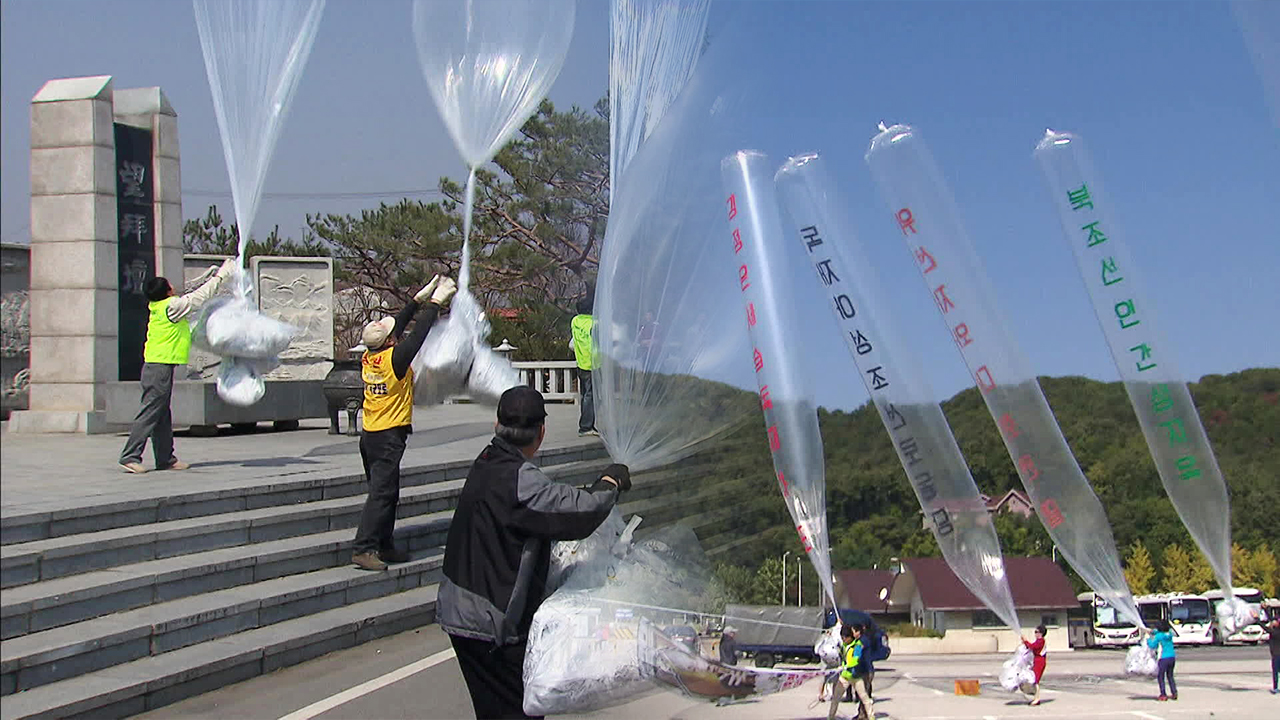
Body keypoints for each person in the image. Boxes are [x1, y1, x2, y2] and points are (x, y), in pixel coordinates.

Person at [437, 385, 630, 719]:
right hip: (489, 622)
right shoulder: (518, 480)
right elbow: (578, 513)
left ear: (496, 426)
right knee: (518, 710)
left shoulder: (486, 460)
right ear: (541, 432)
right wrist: (610, 484)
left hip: (461, 608)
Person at [350, 274, 457, 571]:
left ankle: (384, 544)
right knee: (381, 494)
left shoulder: (371, 357)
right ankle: (364, 548)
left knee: (387, 492)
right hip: (387, 437)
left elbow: (396, 330)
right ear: (390, 341)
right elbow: (417, 335)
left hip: (370, 435)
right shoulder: (395, 361)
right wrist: (436, 303)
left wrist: (415, 301)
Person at [119, 258, 238, 474]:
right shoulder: (171, 307)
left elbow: (191, 295)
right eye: (170, 285)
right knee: (150, 412)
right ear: (166, 292)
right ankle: (130, 456)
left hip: (160, 366)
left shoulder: (163, 306)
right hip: (159, 367)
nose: (173, 287)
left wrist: (212, 275)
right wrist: (221, 276)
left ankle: (166, 458)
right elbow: (198, 298)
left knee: (162, 413)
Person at [828, 624, 873, 720]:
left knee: (864, 698)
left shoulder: (857, 645)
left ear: (850, 637)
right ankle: (831, 717)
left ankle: (871, 716)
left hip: (856, 676)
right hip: (844, 677)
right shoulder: (844, 646)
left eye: (845, 638)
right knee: (836, 698)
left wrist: (845, 666)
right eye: (842, 638)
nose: (843, 639)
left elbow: (855, 660)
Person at [569, 296, 597, 437]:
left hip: (581, 362)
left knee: (585, 394)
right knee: (590, 396)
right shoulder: (593, 323)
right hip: (592, 363)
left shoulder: (575, 322)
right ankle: (586, 426)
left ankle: (586, 424)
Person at [1147, 620, 1177, 701]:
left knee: (1161, 676)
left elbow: (1152, 645)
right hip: (1172, 657)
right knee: (1170, 676)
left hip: (1163, 658)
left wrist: (1148, 638)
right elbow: (1165, 631)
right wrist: (1154, 632)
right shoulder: (1169, 634)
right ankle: (1174, 692)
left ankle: (1163, 694)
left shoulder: (1159, 636)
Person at [1021, 624, 1048, 706]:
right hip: (1037, 661)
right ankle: (1035, 697)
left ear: (1041, 633)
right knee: (1034, 680)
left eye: (1036, 632)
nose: (1035, 634)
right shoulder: (1039, 641)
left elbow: (1032, 647)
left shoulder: (1041, 641)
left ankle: (1037, 699)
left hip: (1040, 662)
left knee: (1035, 680)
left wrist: (1025, 641)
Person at [1265, 615, 1280, 694]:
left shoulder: (1275, 632)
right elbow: (1271, 619)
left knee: (1275, 672)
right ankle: (1276, 687)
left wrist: (1256, 619)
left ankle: (1275, 688)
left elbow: (1265, 628)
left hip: (1277, 655)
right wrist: (1265, 610)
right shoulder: (1275, 630)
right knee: (1277, 672)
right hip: (1276, 654)